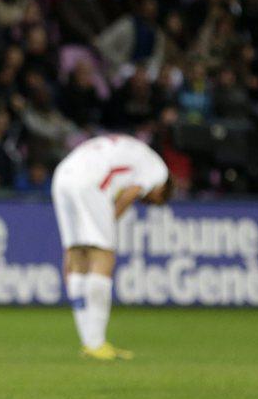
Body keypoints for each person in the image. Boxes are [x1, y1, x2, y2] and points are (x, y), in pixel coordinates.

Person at [51, 134, 172, 360]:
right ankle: (97, 344)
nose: (147, 201)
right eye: (154, 200)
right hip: (90, 181)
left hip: (62, 176)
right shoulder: (159, 172)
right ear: (163, 189)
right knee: (103, 256)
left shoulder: (137, 152)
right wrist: (108, 222)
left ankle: (89, 342)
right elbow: (130, 193)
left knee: (77, 255)